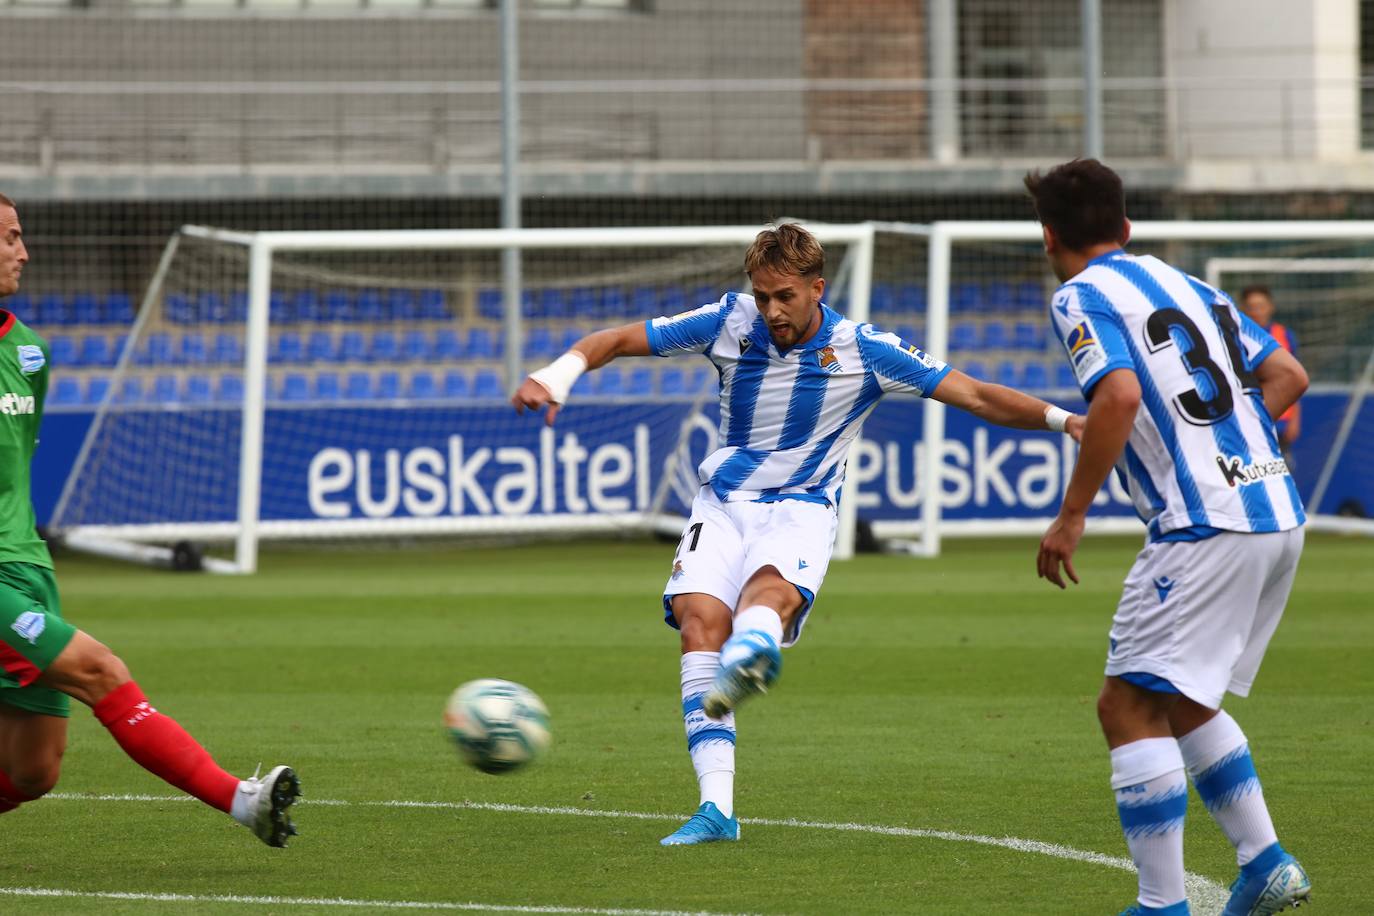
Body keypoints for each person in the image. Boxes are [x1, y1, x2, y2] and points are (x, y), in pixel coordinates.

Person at [514, 223, 1085, 846]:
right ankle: (717, 809)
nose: (771, 311)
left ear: (817, 288)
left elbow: (975, 395)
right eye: (762, 297)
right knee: (697, 620)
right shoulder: (728, 322)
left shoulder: (864, 349)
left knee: (764, 597)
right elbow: (616, 340)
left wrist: (1065, 421)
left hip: (801, 507)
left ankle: (756, 647)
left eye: (784, 296)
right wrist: (558, 373)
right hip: (723, 503)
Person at [1026, 160, 1311, 916]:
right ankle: (1266, 862)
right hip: (1274, 510)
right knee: (1182, 698)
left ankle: (1162, 904)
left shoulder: (1081, 295)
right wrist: (1236, 442)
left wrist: (1073, 512)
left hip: (1205, 523)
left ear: (1049, 236)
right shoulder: (1194, 286)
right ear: (1125, 227)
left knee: (1125, 706)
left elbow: (1118, 395)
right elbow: (1288, 373)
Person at [0, 193, 299, 847]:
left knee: (32, 771)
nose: (24, 251)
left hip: (27, 569)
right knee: (101, 669)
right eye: (10, 237)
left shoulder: (27, 353)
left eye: (21, 236)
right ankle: (242, 801)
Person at [1238, 286, 1301, 468]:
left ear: (1270, 307)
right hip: (1249, 417)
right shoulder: (1235, 336)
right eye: (1252, 306)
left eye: (1261, 306)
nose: (1257, 311)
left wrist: (1295, 420)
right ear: (1243, 309)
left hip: (1280, 417)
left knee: (1282, 470)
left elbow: (1295, 379)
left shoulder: (1284, 335)